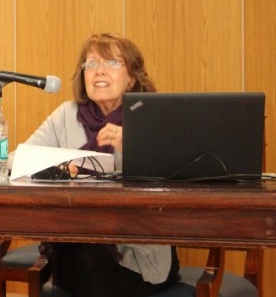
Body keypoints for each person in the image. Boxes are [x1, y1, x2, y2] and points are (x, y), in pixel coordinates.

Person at [23, 33, 179, 297]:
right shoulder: (66, 115)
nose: (99, 71)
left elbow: (177, 175)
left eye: (112, 63)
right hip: (78, 245)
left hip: (140, 256)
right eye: (92, 64)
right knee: (86, 256)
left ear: (132, 77)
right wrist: (63, 167)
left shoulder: (150, 116)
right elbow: (20, 160)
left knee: (91, 264)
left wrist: (133, 147)